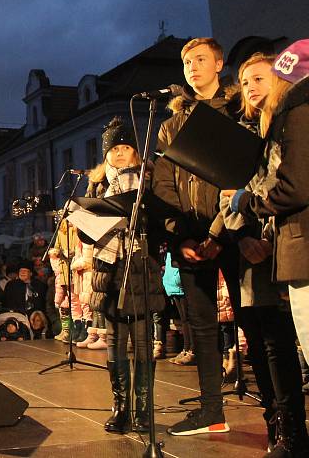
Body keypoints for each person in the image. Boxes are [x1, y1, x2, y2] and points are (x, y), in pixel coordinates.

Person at [224, 42, 309, 455]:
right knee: (271, 343)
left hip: (291, 242)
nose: (251, 87)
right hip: (258, 249)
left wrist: (250, 204)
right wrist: (242, 234)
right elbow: (230, 193)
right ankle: (286, 430)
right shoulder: (246, 133)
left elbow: (290, 186)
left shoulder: (292, 116)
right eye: (244, 82)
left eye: (259, 78)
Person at [153, 37, 240, 436]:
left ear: (219, 64)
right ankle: (211, 411)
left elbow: (244, 172)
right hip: (191, 238)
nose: (193, 66)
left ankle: (280, 415)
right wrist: (181, 237)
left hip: (237, 233)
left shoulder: (239, 110)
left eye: (201, 59)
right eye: (187, 61)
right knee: (201, 327)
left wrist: (220, 233)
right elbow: (165, 185)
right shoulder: (172, 125)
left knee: (255, 322)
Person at [86, 116, 166, 435]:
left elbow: (159, 221)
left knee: (143, 343)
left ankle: (143, 409)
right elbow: (89, 235)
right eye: (113, 149)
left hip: (141, 268)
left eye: (125, 147)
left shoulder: (148, 180)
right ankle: (120, 407)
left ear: (135, 151)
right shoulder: (99, 185)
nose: (119, 153)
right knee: (115, 343)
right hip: (110, 271)